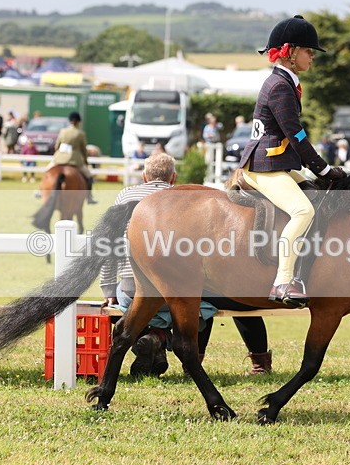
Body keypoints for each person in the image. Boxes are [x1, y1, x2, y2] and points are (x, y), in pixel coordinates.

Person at [99, 153, 272, 375]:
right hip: (182, 288)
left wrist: (107, 289)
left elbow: (108, 246)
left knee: (152, 298)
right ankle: (198, 360)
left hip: (130, 288)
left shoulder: (124, 196)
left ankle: (156, 338)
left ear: (143, 177)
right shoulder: (181, 203)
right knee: (202, 298)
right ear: (173, 178)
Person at [237, 14, 347, 306]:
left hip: (277, 162)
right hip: (264, 166)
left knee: (318, 194)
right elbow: (295, 134)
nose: (312, 56)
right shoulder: (279, 86)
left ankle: (303, 270)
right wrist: (322, 167)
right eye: (308, 51)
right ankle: (283, 281)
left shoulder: (285, 82)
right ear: (290, 52)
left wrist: (320, 174)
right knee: (303, 211)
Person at [47, 111, 97, 204]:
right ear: (78, 122)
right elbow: (83, 150)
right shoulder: (80, 133)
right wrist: (85, 161)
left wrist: (59, 154)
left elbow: (57, 145)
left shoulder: (63, 131)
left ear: (70, 121)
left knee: (47, 171)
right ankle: (89, 197)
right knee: (89, 176)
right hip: (74, 160)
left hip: (59, 159)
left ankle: (40, 191)